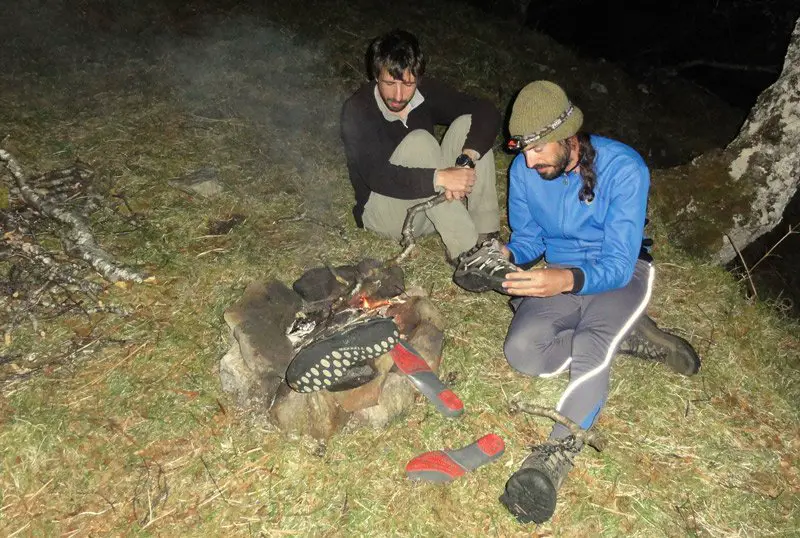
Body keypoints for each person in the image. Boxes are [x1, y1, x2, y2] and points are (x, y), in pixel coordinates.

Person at [454, 81, 701, 524]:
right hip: (562, 275)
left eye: (537, 150)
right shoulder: (526, 171)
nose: (528, 162)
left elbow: (619, 264)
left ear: (568, 137)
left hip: (620, 276)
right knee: (522, 352)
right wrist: (502, 258)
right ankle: (625, 338)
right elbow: (529, 239)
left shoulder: (625, 168)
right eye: (522, 150)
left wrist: (562, 279)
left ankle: (555, 454)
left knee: (590, 344)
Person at [340, 29, 502, 263]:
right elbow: (377, 176)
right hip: (385, 214)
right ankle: (466, 252)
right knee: (420, 141)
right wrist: (440, 178)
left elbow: (486, 110)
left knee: (468, 124)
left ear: (418, 77)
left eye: (408, 84)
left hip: (427, 212)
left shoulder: (425, 93)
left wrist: (465, 160)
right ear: (376, 75)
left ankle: (485, 237)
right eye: (389, 83)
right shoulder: (357, 109)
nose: (398, 95)